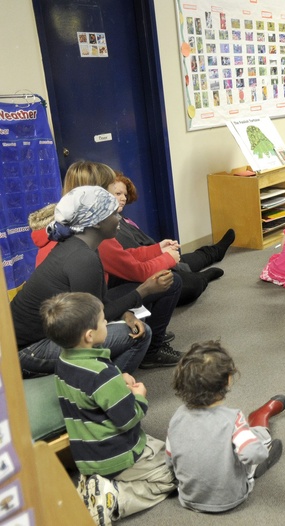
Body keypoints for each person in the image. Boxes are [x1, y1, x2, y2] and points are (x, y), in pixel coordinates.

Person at [12, 186, 179, 377]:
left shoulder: (82, 246)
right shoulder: (83, 258)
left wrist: (125, 314)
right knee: (142, 335)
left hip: (36, 340)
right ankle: (104, 391)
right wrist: (144, 291)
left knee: (130, 327)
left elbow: (98, 301)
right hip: (26, 352)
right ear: (96, 222)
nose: (119, 219)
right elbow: (92, 319)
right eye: (113, 215)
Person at [41, 292, 176, 524]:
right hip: (115, 454)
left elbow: (89, 392)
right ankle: (114, 498)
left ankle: (96, 481)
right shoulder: (103, 375)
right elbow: (128, 417)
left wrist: (118, 379)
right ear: (90, 335)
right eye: (104, 320)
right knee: (173, 474)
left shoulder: (64, 361)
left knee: (164, 450)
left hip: (87, 452)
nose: (107, 323)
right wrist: (139, 396)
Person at [166, 341, 285, 513]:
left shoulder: (177, 416)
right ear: (228, 380)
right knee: (255, 436)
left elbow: (170, 458)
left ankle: (257, 422)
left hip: (188, 499)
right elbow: (254, 454)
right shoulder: (232, 419)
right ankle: (261, 422)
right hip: (233, 498)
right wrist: (260, 451)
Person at [109, 173, 234, 305]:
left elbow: (138, 252)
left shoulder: (121, 219)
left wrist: (160, 249)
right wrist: (166, 258)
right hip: (142, 276)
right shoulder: (110, 231)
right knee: (191, 284)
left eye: (125, 195)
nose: (123, 198)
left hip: (151, 263)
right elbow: (137, 268)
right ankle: (204, 276)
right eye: (118, 194)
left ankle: (215, 252)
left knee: (186, 259)